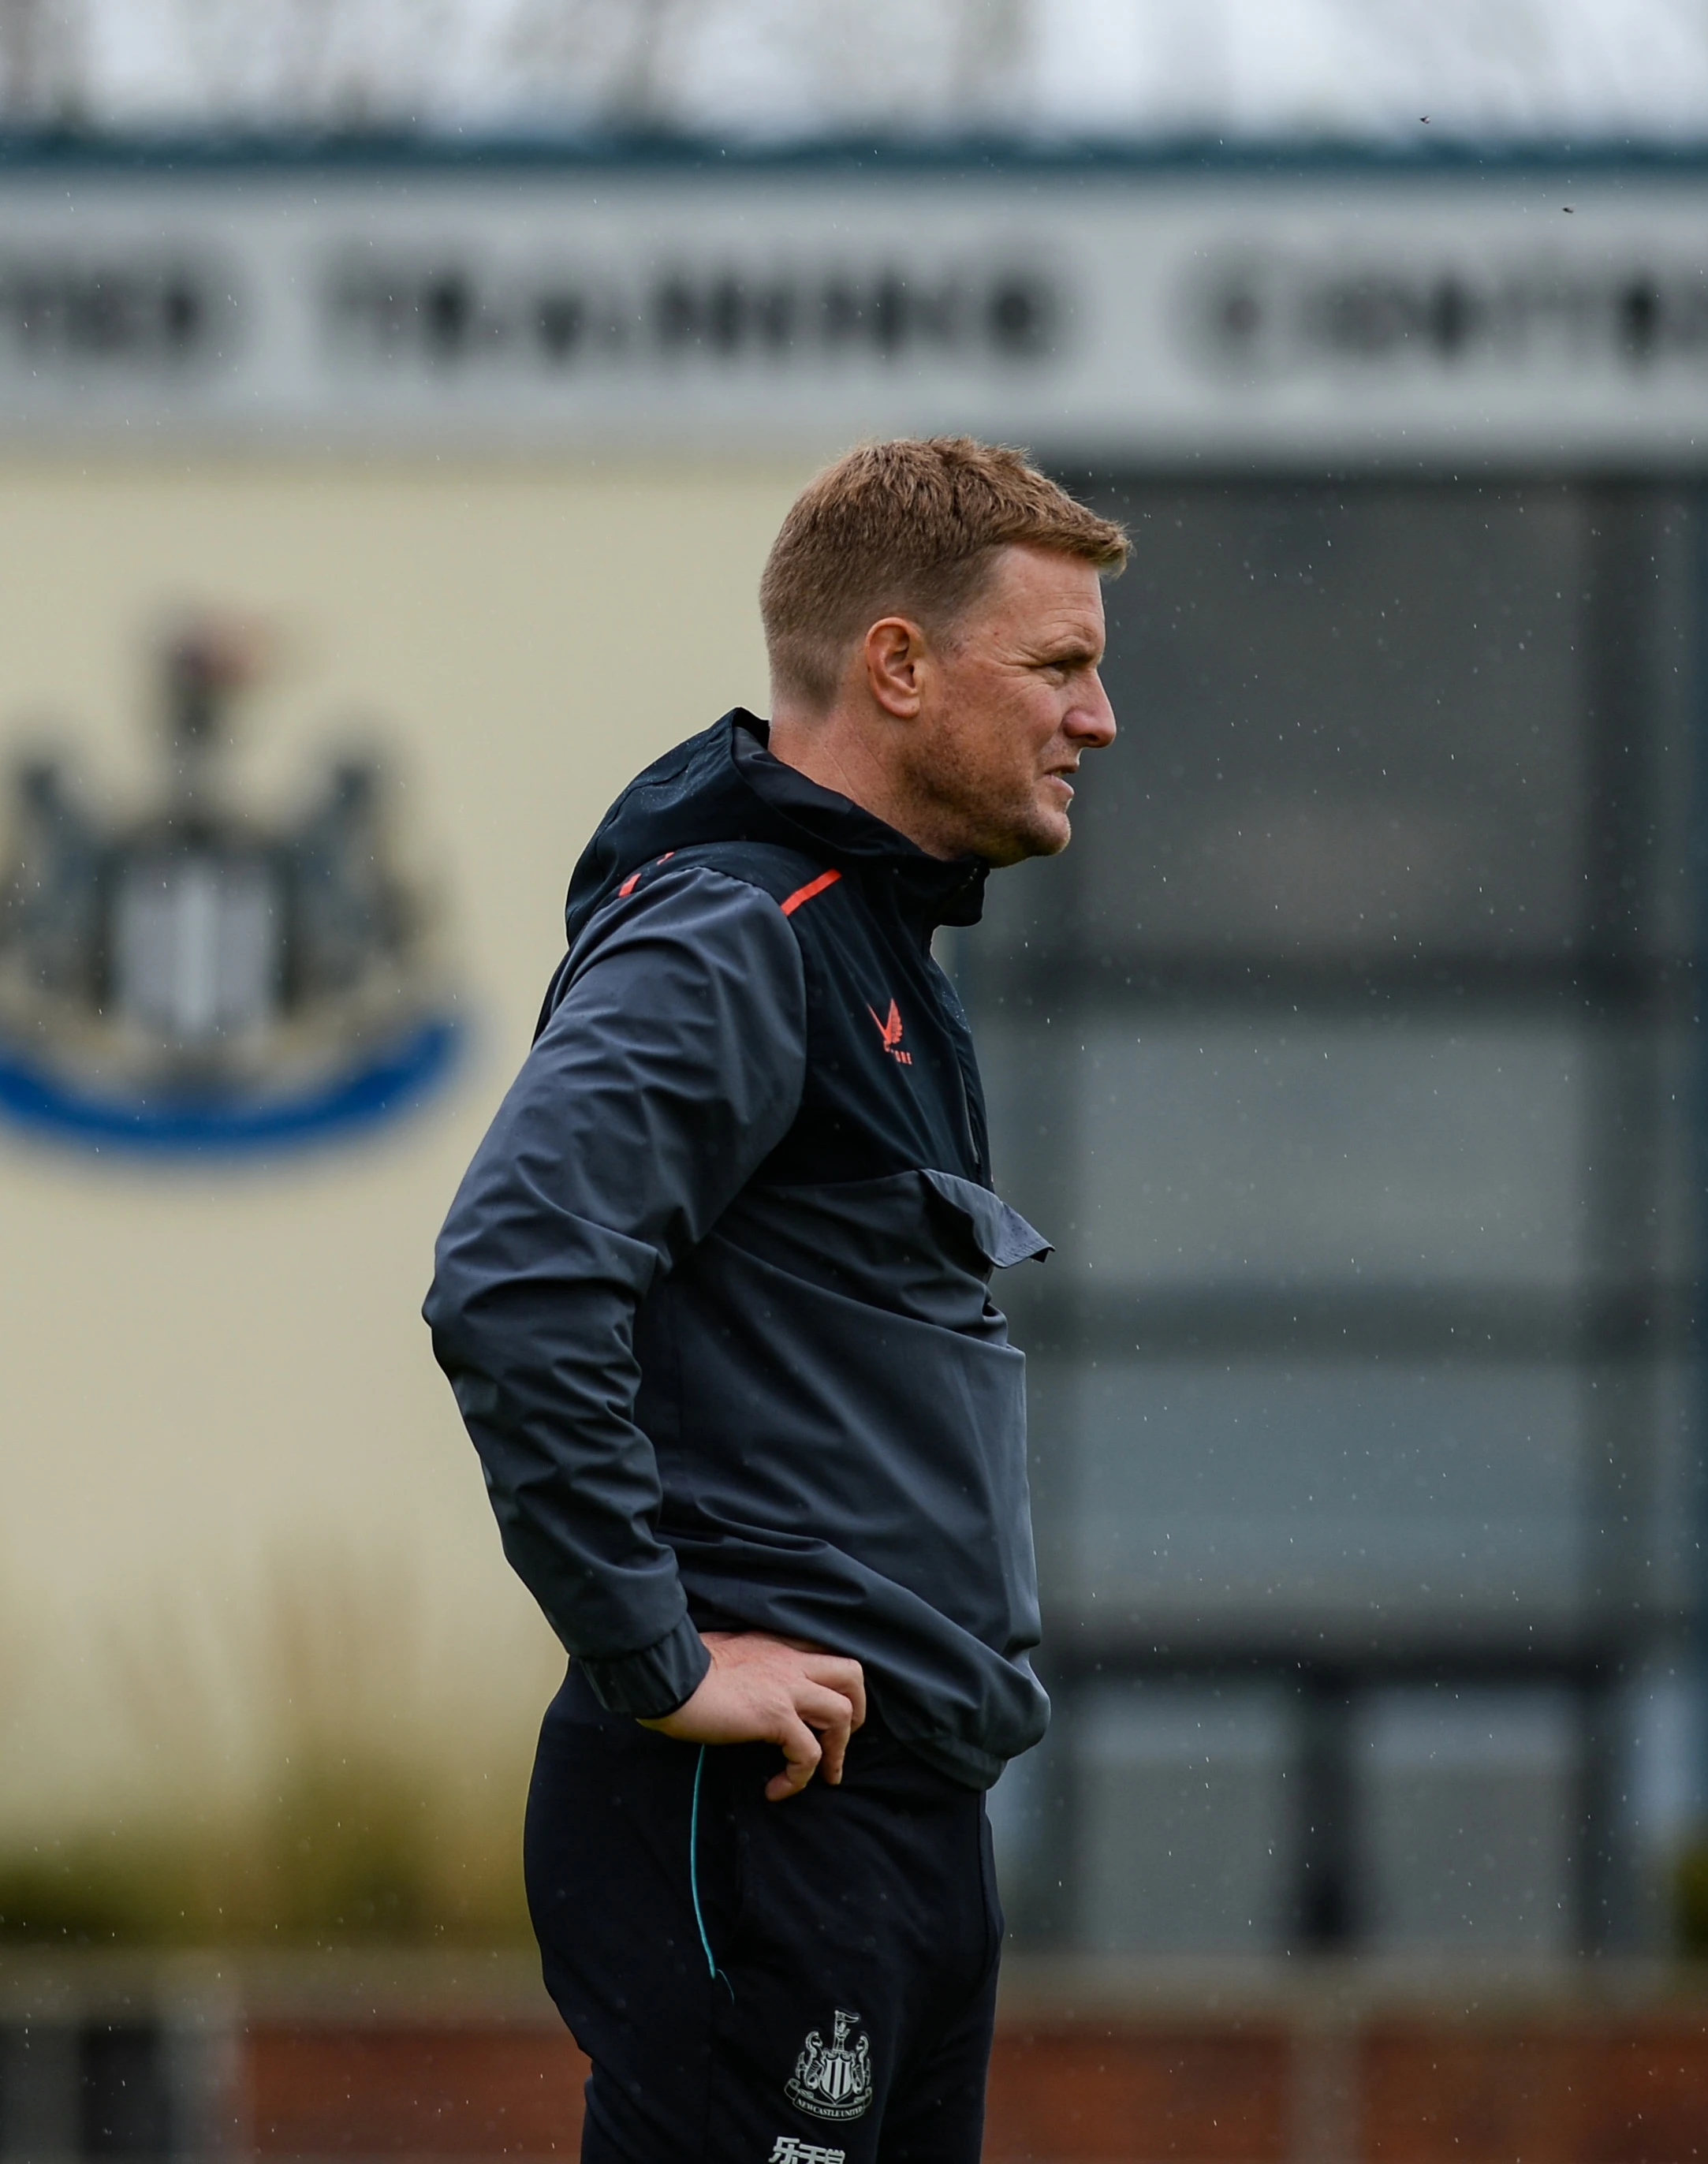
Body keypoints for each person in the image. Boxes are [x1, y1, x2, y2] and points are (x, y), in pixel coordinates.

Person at [423, 438, 1126, 2164]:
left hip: (885, 1818)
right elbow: (513, 1277)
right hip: (757, 1803)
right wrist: (654, 1656)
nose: (1094, 719)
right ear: (896, 664)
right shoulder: (738, 929)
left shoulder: (872, 952)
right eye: (1056, 665)